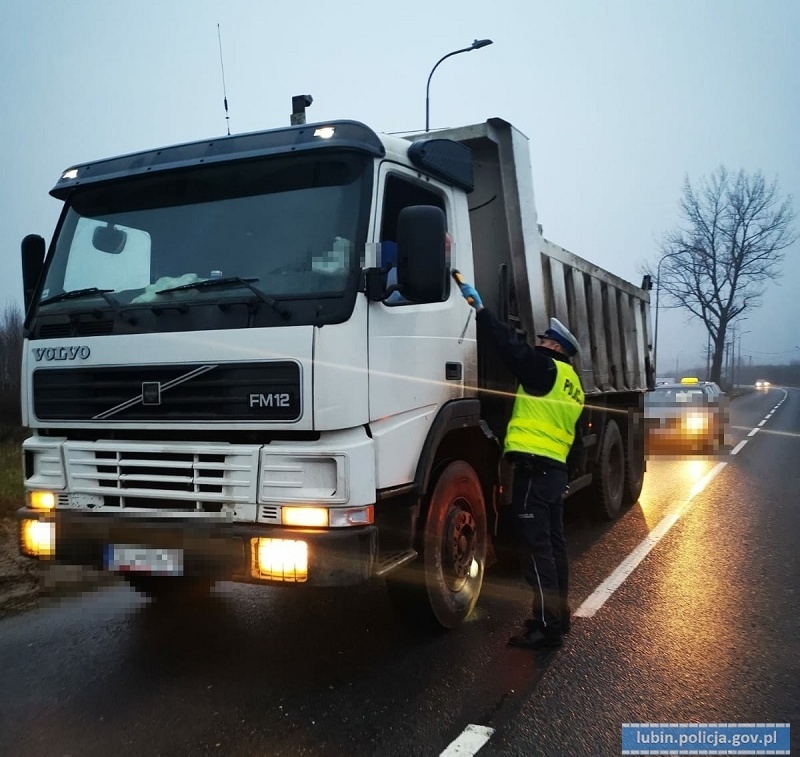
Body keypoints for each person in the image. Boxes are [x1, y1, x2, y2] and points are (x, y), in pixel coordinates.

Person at [455, 273, 585, 650]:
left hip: (533, 472)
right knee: (555, 548)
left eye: (545, 340)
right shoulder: (572, 384)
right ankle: (558, 618)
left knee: (537, 551)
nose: (539, 344)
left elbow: (511, 349)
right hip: (552, 472)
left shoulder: (544, 371)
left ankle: (545, 627)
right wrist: (565, 475)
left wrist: (481, 310)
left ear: (556, 347)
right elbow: (573, 439)